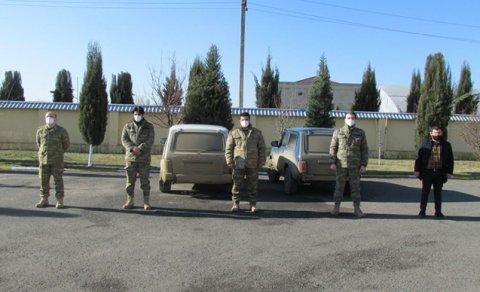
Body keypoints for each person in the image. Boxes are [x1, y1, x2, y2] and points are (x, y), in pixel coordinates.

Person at [329, 111, 369, 217]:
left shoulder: (360, 133)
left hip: (355, 166)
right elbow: (333, 148)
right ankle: (336, 207)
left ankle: (357, 208)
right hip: (341, 165)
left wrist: (364, 164)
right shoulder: (338, 132)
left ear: (355, 119)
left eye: (352, 118)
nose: (350, 119)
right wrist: (332, 162)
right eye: (348, 117)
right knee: (339, 187)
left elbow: (364, 150)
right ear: (345, 119)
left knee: (355, 188)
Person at [225, 112, 266, 212]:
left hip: (252, 163)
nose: (245, 121)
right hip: (238, 164)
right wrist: (229, 161)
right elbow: (229, 148)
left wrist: (261, 161)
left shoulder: (257, 133)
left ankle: (253, 205)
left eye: (246, 119)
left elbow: (262, 148)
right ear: (239, 120)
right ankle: (235, 204)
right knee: (237, 185)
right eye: (243, 119)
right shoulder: (233, 132)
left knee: (253, 185)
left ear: (249, 120)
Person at [414, 126, 454, 218]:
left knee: (438, 193)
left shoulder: (446, 145)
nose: (437, 134)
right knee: (425, 192)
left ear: (441, 133)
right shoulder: (425, 143)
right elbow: (418, 158)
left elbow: (450, 159)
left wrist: (449, 172)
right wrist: (417, 170)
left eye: (439, 132)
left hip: (440, 173)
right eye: (435, 133)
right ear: (431, 133)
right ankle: (422, 211)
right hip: (427, 172)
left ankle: (438, 212)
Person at [121, 106, 155, 210]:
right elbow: (124, 139)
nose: (137, 116)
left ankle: (146, 202)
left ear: (143, 115)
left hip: (143, 158)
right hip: (131, 158)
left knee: (145, 181)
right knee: (130, 182)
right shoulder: (128, 126)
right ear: (133, 114)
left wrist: (141, 148)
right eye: (135, 114)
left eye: (139, 114)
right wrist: (132, 148)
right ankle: (130, 201)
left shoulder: (149, 126)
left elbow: (151, 139)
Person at [35, 111, 70, 208]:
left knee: (58, 180)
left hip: (56, 160)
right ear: (45, 118)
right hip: (44, 160)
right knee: (43, 180)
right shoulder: (40, 130)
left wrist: (58, 152)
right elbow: (39, 143)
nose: (49, 118)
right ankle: (44, 199)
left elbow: (66, 145)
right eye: (47, 116)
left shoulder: (61, 131)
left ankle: (59, 200)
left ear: (56, 119)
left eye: (51, 116)